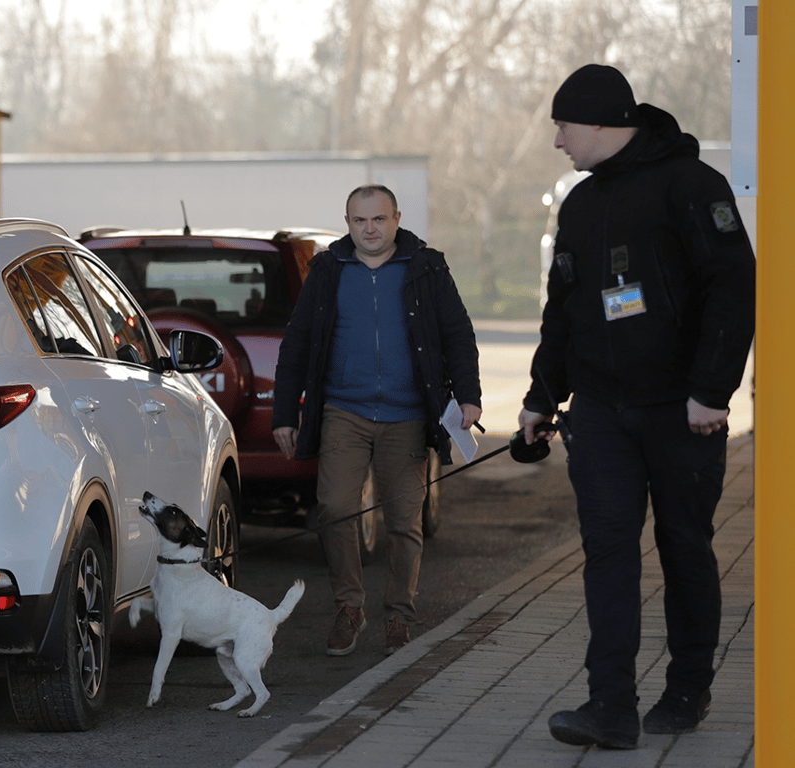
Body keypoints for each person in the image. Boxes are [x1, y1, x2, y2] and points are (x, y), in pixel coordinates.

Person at [520, 64, 755, 750]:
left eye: (562, 126)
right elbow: (562, 306)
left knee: (685, 547)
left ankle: (687, 689)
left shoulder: (691, 186)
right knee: (609, 553)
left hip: (682, 412)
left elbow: (734, 287)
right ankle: (610, 707)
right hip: (599, 413)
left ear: (597, 122)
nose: (558, 141)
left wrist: (712, 392)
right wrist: (540, 397)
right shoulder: (581, 204)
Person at [272, 184, 482, 657]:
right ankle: (350, 607)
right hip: (344, 411)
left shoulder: (427, 267)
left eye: (379, 219)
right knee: (335, 509)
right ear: (348, 222)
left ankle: (398, 615)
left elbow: (458, 334)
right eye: (359, 220)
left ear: (396, 219)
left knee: (404, 522)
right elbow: (297, 344)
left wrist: (468, 396)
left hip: (407, 414)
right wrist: (285, 413)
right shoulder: (327, 270)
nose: (370, 229)